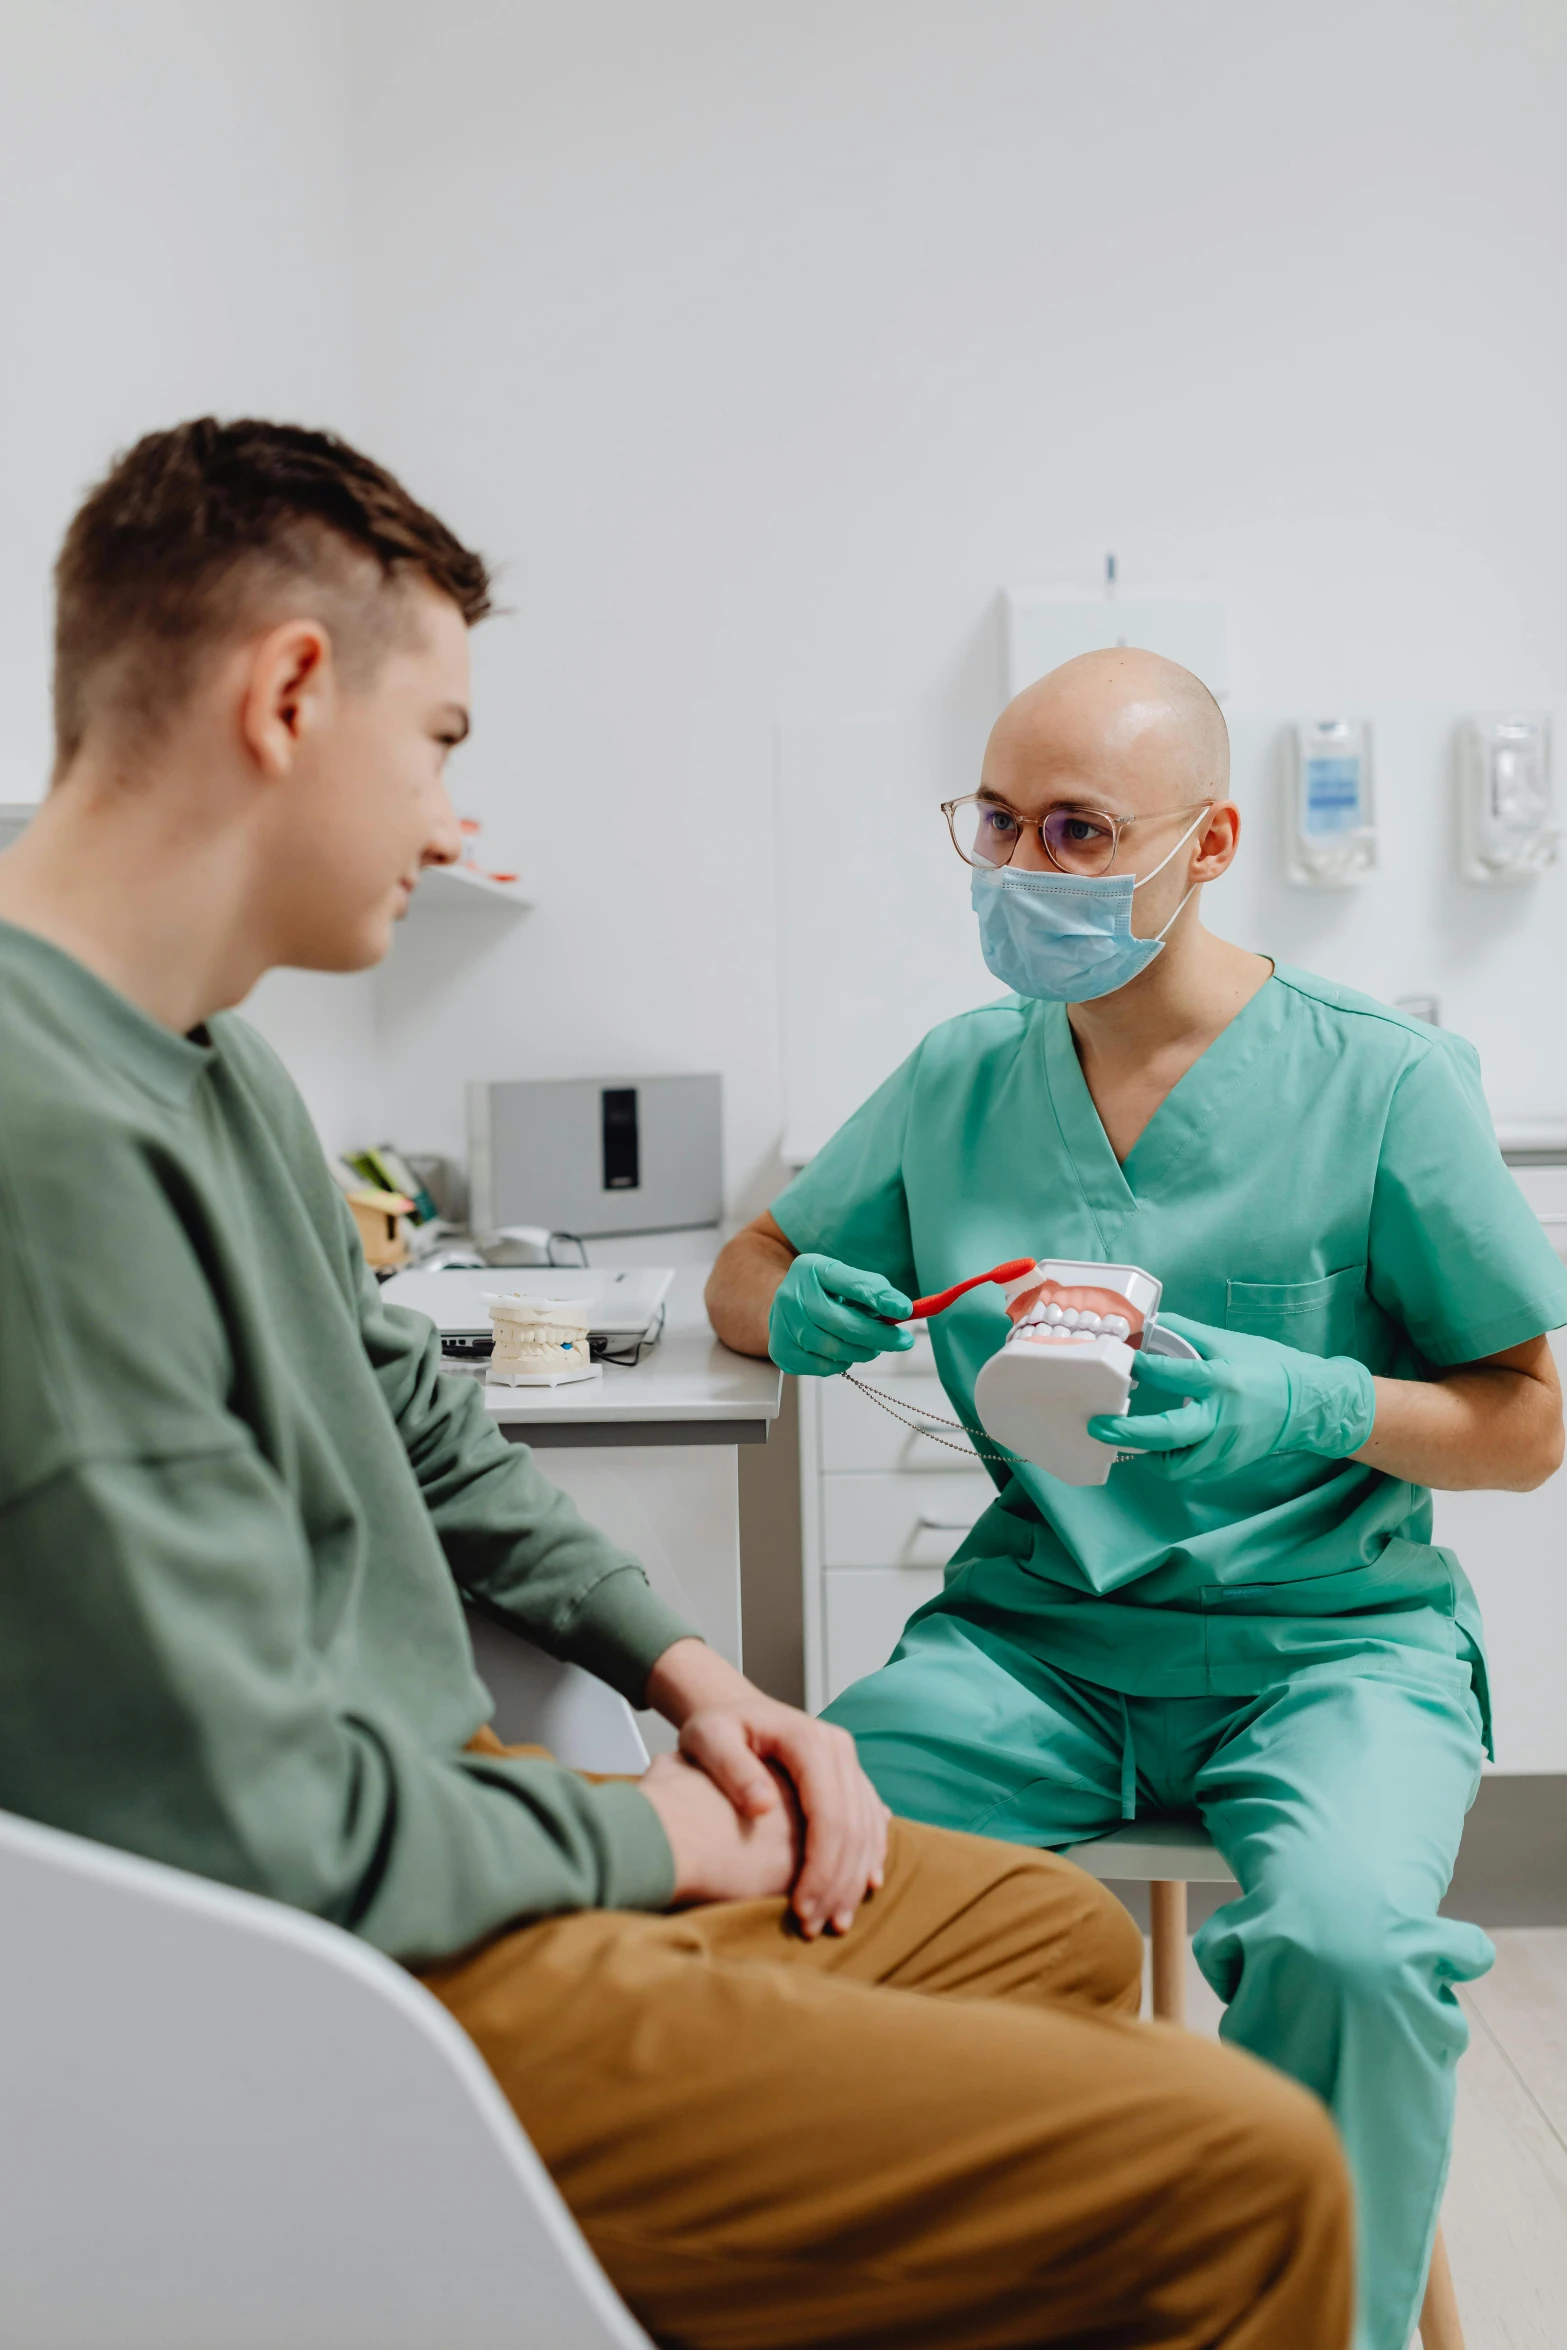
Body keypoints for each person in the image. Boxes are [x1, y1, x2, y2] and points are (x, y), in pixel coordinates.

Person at [0, 423, 1351, 2350]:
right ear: (290, 696)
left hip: (453, 1831)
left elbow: (424, 1424)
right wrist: (661, 1836)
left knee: (1045, 1935)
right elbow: (261, 1830)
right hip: (357, 1973)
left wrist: (696, 1681)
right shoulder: (42, 1135)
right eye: (446, 736)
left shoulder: (209, 1065)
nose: (453, 809)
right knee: (1249, 2171)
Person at [709, 646, 1567, 2350]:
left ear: (1211, 837)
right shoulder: (965, 1073)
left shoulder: (1381, 1084)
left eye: (1079, 831)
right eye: (999, 823)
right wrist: (780, 1305)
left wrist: (1311, 1395)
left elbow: (1527, 1420)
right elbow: (760, 1256)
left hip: (1329, 1649)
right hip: (1032, 1646)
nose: (1025, 871)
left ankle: (1312, 2320)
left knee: (1351, 1952)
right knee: (784, 1876)